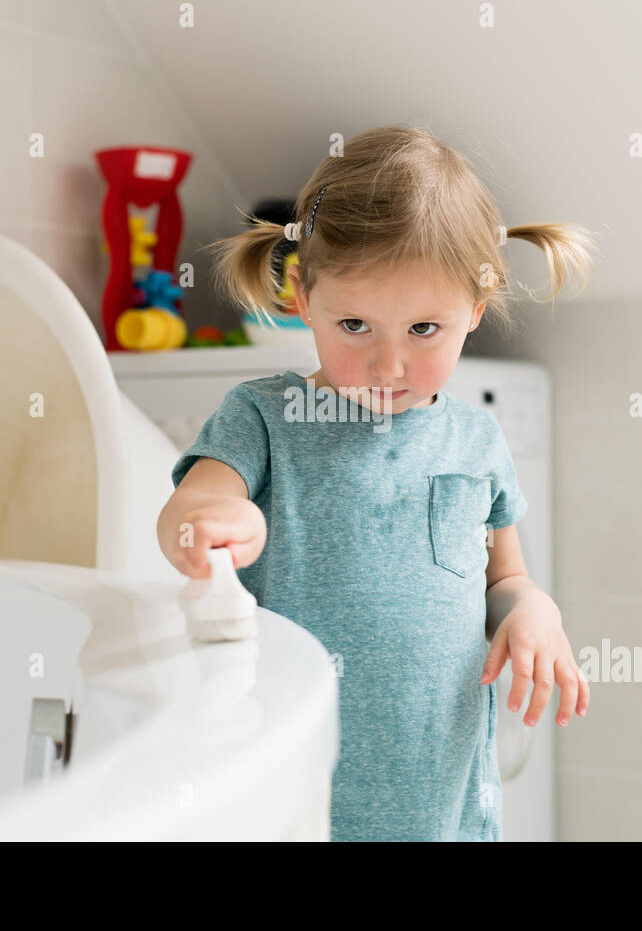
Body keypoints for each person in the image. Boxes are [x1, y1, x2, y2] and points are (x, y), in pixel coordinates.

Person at [156, 124, 594, 841]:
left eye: (425, 329)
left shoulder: (476, 440)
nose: (388, 364)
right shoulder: (264, 419)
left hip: (441, 798)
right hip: (296, 792)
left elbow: (503, 580)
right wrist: (210, 518)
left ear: (475, 310)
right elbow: (193, 501)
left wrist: (531, 610)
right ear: (299, 293)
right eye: (355, 324)